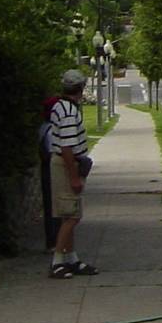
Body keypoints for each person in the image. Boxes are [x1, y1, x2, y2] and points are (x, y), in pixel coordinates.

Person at [47, 69, 98, 279]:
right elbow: (67, 147)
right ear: (80, 88)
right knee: (72, 216)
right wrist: (74, 177)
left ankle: (72, 259)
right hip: (67, 165)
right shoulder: (68, 112)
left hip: (64, 163)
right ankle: (58, 261)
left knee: (68, 214)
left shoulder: (60, 106)